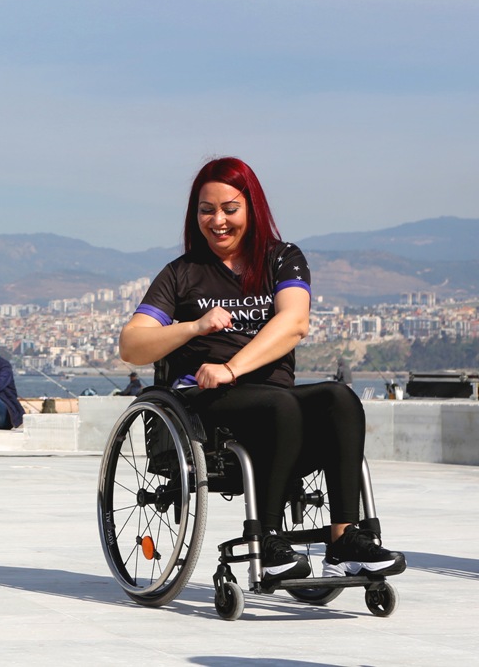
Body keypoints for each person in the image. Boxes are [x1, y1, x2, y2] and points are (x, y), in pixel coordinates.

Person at [119, 156, 405, 584]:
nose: (217, 220)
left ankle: (345, 540)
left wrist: (234, 367)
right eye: (206, 210)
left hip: (262, 390)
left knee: (338, 398)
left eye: (229, 209)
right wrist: (194, 326)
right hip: (206, 403)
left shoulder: (282, 259)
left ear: (252, 209)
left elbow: (294, 322)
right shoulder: (182, 274)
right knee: (280, 406)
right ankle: (267, 541)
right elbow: (132, 345)